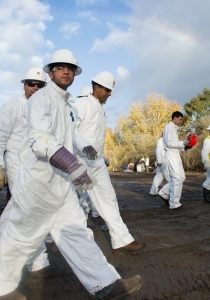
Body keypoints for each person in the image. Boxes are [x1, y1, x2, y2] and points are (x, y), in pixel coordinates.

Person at [0, 49, 144, 300]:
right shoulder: (41, 99)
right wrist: (71, 163)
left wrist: (84, 148)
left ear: (74, 74)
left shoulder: (66, 103)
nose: (66, 71)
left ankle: (106, 284)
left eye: (70, 68)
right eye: (60, 67)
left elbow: (70, 131)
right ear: (51, 71)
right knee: (22, 235)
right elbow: (40, 139)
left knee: (77, 232)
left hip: (60, 184)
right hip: (38, 183)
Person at [73, 71, 145, 255]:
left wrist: (101, 156)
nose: (110, 94)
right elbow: (70, 129)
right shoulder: (82, 104)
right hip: (79, 163)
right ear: (96, 87)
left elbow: (95, 136)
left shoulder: (98, 107)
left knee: (108, 200)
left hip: (96, 164)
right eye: (107, 89)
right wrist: (84, 146)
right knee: (72, 202)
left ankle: (121, 241)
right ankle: (56, 242)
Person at [0, 67, 56, 278]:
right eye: (31, 84)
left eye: (39, 85)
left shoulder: (44, 109)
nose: (35, 88)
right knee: (27, 206)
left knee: (20, 207)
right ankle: (37, 260)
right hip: (15, 163)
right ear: (24, 84)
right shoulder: (11, 107)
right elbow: (0, 136)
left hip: (36, 165)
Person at [160, 111, 189, 210]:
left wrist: (186, 146)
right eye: (180, 119)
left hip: (175, 154)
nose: (181, 121)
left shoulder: (173, 129)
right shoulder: (169, 127)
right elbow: (169, 143)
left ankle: (164, 193)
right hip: (171, 155)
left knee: (181, 177)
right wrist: (183, 143)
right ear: (175, 118)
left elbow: (175, 144)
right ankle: (174, 203)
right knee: (177, 178)